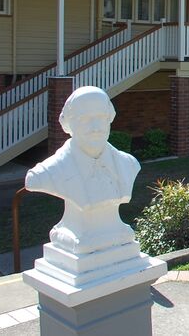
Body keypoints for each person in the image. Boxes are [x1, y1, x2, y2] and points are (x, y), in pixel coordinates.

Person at [25, 86, 140, 255]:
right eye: (85, 119)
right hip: (77, 239)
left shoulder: (129, 164)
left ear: (110, 118)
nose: (96, 127)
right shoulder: (47, 173)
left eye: (101, 117)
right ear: (68, 124)